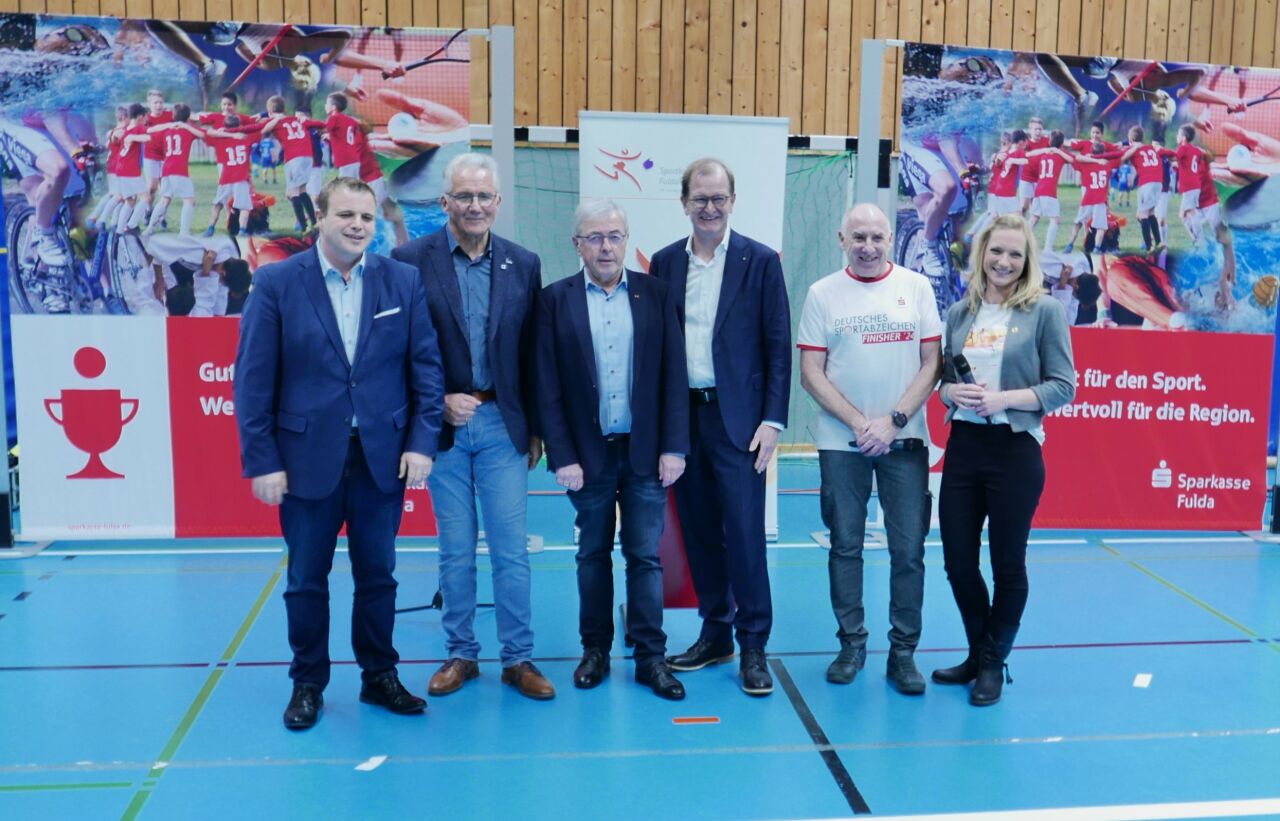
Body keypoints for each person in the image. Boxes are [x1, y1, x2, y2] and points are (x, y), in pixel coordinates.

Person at [233, 177, 445, 730]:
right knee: (307, 580)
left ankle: (380, 676)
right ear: (320, 219)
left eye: (366, 217)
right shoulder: (277, 282)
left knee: (379, 577)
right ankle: (308, 683)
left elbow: (426, 370)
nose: (357, 225)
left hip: (382, 460)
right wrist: (263, 460)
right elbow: (253, 381)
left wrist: (421, 442)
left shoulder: (402, 281)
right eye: (346, 215)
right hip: (305, 460)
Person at [389, 153, 554, 702]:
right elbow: (397, 351)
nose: (475, 205)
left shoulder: (523, 263)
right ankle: (461, 653)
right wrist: (437, 402)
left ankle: (518, 658)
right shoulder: (409, 261)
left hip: (504, 426)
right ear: (445, 202)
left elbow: (534, 354)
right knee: (456, 550)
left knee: (511, 550)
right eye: (464, 196)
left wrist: (536, 428)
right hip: (445, 432)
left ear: (498, 203)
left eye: (484, 196)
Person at [648, 158, 791, 696]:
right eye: (700, 199)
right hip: (683, 421)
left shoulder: (760, 261)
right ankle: (716, 634)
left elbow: (778, 345)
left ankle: (753, 645)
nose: (710, 208)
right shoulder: (665, 263)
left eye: (719, 198)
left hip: (741, 424)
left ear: (733, 201)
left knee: (746, 537)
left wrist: (773, 420)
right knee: (700, 532)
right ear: (684, 203)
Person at [537, 199, 690, 701]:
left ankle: (650, 658)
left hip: (646, 454)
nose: (606, 246)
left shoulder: (656, 294)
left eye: (615, 236)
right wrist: (562, 455)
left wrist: (674, 447)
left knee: (645, 557)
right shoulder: (553, 301)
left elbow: (674, 375)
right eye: (595, 237)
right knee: (592, 554)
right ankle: (595, 651)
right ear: (577, 244)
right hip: (587, 458)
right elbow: (547, 386)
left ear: (626, 240)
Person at [796, 203, 942, 695]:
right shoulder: (822, 294)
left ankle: (903, 653)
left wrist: (893, 420)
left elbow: (932, 362)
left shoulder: (916, 288)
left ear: (890, 239)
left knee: (909, 551)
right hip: (843, 443)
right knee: (845, 546)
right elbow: (811, 373)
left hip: (905, 440)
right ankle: (851, 644)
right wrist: (862, 425)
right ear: (842, 240)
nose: (868, 246)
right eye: (858, 237)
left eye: (877, 237)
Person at [934, 214, 1076, 706]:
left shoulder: (1045, 311)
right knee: (957, 562)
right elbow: (943, 381)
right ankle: (979, 652)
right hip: (964, 448)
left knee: (1007, 564)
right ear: (982, 254)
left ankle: (993, 663)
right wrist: (950, 392)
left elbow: (1064, 386)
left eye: (1015, 253)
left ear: (1027, 260)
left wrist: (1004, 399)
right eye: (997, 251)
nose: (1004, 261)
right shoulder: (959, 313)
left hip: (1015, 451)